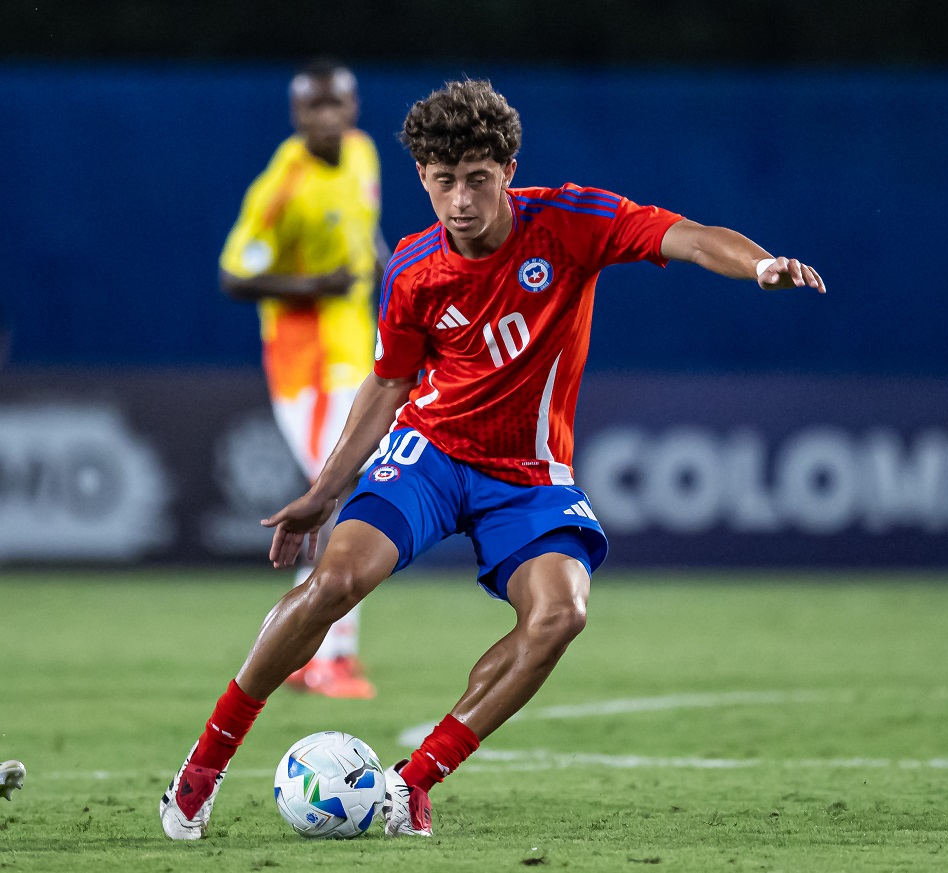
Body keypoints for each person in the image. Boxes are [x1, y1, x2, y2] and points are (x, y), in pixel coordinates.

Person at [161, 78, 825, 841]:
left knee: (561, 613)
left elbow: (689, 236)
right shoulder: (412, 269)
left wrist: (760, 265)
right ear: (421, 176)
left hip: (529, 477)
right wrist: (325, 489)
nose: (461, 200)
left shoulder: (571, 221)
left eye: (478, 178)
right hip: (431, 455)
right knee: (336, 581)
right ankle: (202, 769)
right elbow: (389, 384)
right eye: (444, 180)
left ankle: (412, 781)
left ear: (509, 169)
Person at [218, 59, 389, 699]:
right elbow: (234, 275)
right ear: (296, 116)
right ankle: (323, 657)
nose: (326, 117)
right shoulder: (282, 187)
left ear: (352, 107)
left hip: (358, 355)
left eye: (335, 104)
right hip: (307, 368)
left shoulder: (363, 153)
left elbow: (366, 235)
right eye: (313, 107)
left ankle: (312, 654)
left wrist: (393, 276)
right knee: (344, 496)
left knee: (357, 494)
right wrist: (314, 285)